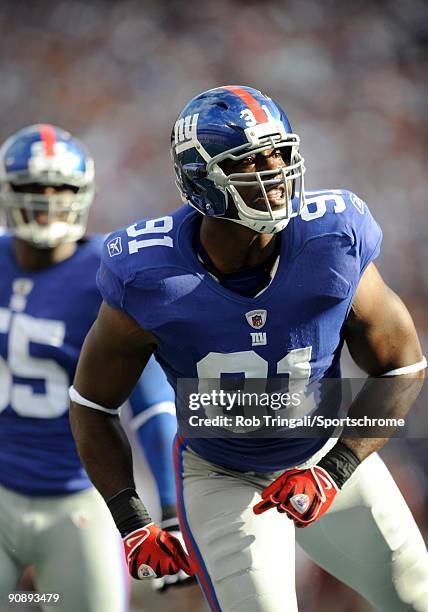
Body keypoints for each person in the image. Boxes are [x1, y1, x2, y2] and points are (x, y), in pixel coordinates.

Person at [69, 86, 428, 611]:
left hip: (323, 455)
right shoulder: (147, 274)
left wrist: (336, 470)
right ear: (202, 180)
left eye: (280, 153)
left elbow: (403, 367)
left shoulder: (332, 238)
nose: (276, 173)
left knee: (415, 597)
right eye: (250, 162)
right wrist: (132, 523)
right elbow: (92, 405)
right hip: (223, 477)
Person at [0, 124, 188, 612]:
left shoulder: (110, 269)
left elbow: (151, 405)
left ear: (83, 195)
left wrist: (170, 511)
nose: (46, 199)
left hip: (81, 499)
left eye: (60, 187)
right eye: (32, 187)